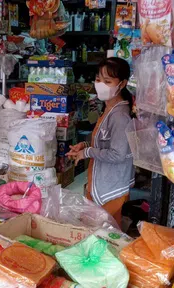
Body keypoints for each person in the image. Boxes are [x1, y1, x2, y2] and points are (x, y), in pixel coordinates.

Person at [67, 57, 135, 226]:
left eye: (107, 81)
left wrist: (87, 152)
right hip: (100, 182)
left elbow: (117, 154)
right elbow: (106, 144)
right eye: (98, 80)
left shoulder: (120, 116)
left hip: (111, 188)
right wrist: (85, 146)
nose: (101, 84)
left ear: (122, 83)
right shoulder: (109, 108)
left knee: (105, 236)